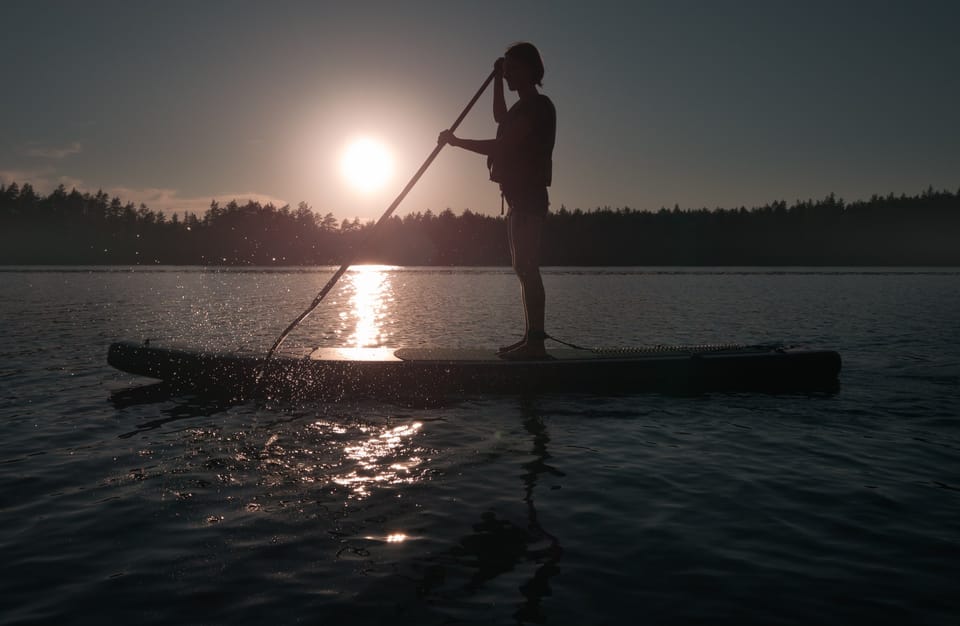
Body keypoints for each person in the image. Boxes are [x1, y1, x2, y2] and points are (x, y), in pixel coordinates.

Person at [438, 42, 556, 360]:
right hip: (517, 199)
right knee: (522, 269)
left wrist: (456, 142)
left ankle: (536, 344)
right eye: (506, 71)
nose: (508, 76)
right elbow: (500, 117)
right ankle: (531, 338)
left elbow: (503, 146)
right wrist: (494, 80)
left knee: (528, 269)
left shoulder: (539, 106)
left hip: (529, 198)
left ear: (530, 69)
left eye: (512, 70)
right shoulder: (520, 108)